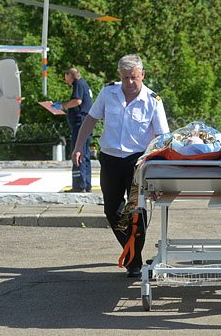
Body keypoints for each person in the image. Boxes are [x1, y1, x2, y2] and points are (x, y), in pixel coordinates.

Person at [71, 54, 169, 278]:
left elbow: (163, 136)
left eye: (134, 77)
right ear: (120, 76)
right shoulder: (108, 93)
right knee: (112, 209)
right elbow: (90, 120)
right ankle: (130, 250)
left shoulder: (153, 100)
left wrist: (160, 167)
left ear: (142, 75)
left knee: (137, 211)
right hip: (110, 159)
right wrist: (78, 146)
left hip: (138, 162)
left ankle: (134, 262)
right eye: (125, 78)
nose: (130, 83)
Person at [52, 68, 93, 192]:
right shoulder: (84, 84)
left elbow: (77, 101)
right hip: (85, 123)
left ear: (69, 75)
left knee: (77, 153)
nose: (65, 79)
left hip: (80, 124)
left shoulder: (78, 84)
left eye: (66, 76)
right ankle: (86, 184)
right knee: (84, 154)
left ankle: (79, 186)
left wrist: (62, 105)